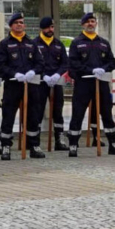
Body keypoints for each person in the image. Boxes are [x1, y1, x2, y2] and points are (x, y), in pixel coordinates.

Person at [65, 12, 115, 155]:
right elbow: (73, 63)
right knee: (78, 113)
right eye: (87, 22)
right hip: (83, 83)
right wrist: (91, 70)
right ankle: (73, 144)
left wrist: (103, 69)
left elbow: (112, 61)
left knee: (106, 113)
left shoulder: (103, 42)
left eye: (93, 21)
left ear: (96, 24)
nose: (90, 24)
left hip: (101, 82)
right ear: (83, 24)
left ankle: (113, 143)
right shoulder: (77, 42)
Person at [0, 13, 44, 160]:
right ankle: (6, 146)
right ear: (11, 26)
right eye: (16, 23)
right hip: (13, 84)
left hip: (30, 84)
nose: (19, 25)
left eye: (21, 23)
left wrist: (33, 71)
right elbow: (0, 65)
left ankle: (34, 145)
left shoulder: (31, 43)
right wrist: (14, 74)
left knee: (33, 116)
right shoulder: (5, 44)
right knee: (8, 115)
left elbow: (40, 63)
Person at [39, 16, 71, 150]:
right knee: (38, 110)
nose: (50, 30)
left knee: (58, 110)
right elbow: (34, 63)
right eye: (48, 27)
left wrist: (58, 74)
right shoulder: (35, 44)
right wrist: (44, 75)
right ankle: (34, 141)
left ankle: (59, 139)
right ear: (42, 28)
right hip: (41, 82)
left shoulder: (58, 44)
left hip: (56, 81)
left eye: (52, 27)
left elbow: (65, 63)